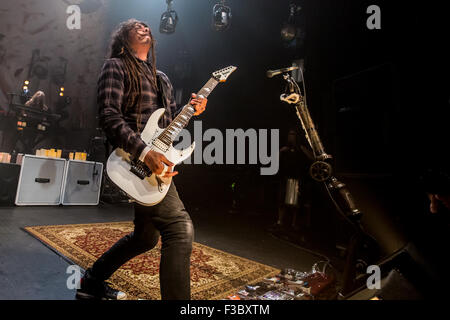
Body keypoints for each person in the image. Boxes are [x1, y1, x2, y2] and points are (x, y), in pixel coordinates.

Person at [76, 19, 207, 300]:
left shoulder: (163, 79)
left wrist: (191, 110)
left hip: (153, 165)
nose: (144, 26)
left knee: (145, 238)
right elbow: (109, 116)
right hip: (133, 159)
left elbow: (169, 123)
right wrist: (145, 153)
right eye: (135, 25)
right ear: (123, 38)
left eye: (146, 25)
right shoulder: (116, 66)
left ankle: (91, 282)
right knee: (179, 228)